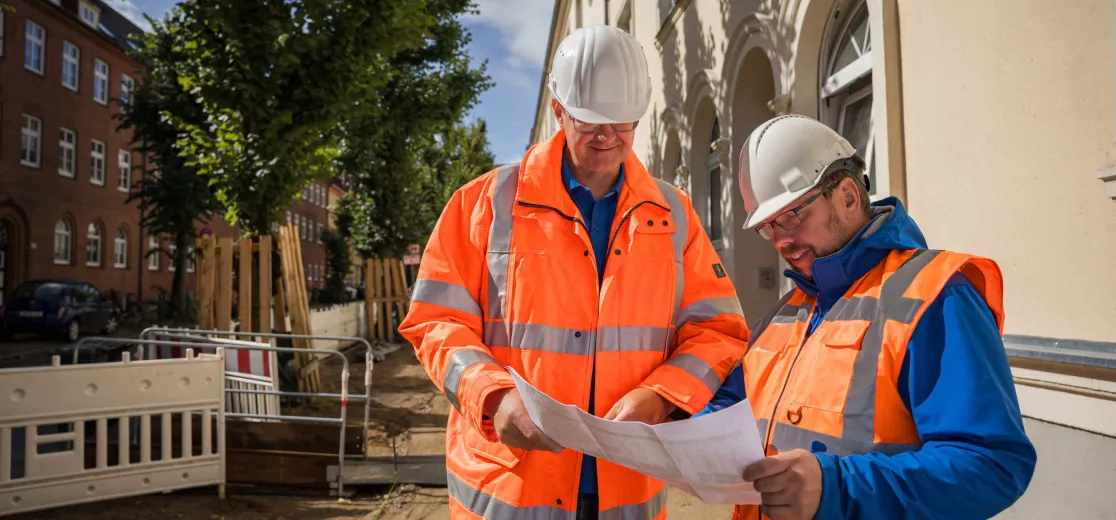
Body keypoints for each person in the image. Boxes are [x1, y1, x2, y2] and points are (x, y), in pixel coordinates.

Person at [398, 25, 751, 520]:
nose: (606, 136)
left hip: (625, 484)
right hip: (512, 486)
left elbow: (718, 331)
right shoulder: (483, 205)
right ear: (559, 109)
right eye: (588, 121)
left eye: (620, 122)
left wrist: (661, 395)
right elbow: (435, 321)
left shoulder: (675, 214)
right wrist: (495, 398)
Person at [694, 114, 1037, 520]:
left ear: (848, 197)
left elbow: (991, 465)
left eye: (792, 216)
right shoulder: (783, 315)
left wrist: (837, 487)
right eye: (769, 226)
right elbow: (729, 409)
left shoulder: (937, 296)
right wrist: (680, 431)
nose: (782, 240)